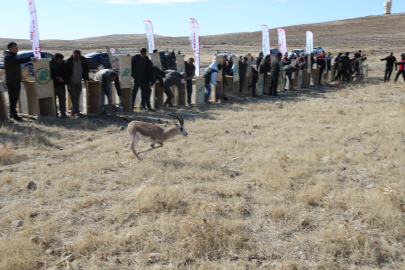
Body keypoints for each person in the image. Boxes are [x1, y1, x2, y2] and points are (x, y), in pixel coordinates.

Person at [3, 42, 37, 121]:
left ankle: (12, 113)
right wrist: (30, 57)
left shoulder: (12, 55)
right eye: (15, 49)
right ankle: (14, 115)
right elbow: (17, 61)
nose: (17, 50)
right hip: (12, 81)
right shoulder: (8, 56)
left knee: (14, 98)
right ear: (10, 49)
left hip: (15, 79)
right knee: (13, 98)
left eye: (17, 49)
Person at [65, 50, 90, 118]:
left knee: (77, 97)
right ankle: (77, 112)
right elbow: (66, 73)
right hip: (71, 82)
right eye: (74, 57)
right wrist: (68, 83)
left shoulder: (83, 60)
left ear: (80, 56)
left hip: (79, 82)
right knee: (74, 97)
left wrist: (86, 77)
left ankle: (73, 111)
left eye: (77, 57)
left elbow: (86, 69)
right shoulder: (69, 61)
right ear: (72, 55)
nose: (76, 58)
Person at [131, 48, 155, 112]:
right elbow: (130, 63)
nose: (142, 55)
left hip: (144, 80)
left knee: (144, 94)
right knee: (134, 93)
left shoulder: (148, 62)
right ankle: (131, 107)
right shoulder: (135, 58)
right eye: (141, 53)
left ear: (145, 53)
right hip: (136, 79)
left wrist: (149, 81)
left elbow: (150, 73)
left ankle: (142, 107)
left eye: (143, 53)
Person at [49, 53, 68, 118]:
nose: (61, 62)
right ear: (55, 59)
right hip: (53, 86)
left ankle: (63, 114)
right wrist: (56, 77)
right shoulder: (49, 64)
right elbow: (48, 74)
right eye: (59, 61)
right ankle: (55, 114)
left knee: (63, 100)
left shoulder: (63, 63)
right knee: (53, 101)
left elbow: (65, 72)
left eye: (61, 60)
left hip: (62, 85)